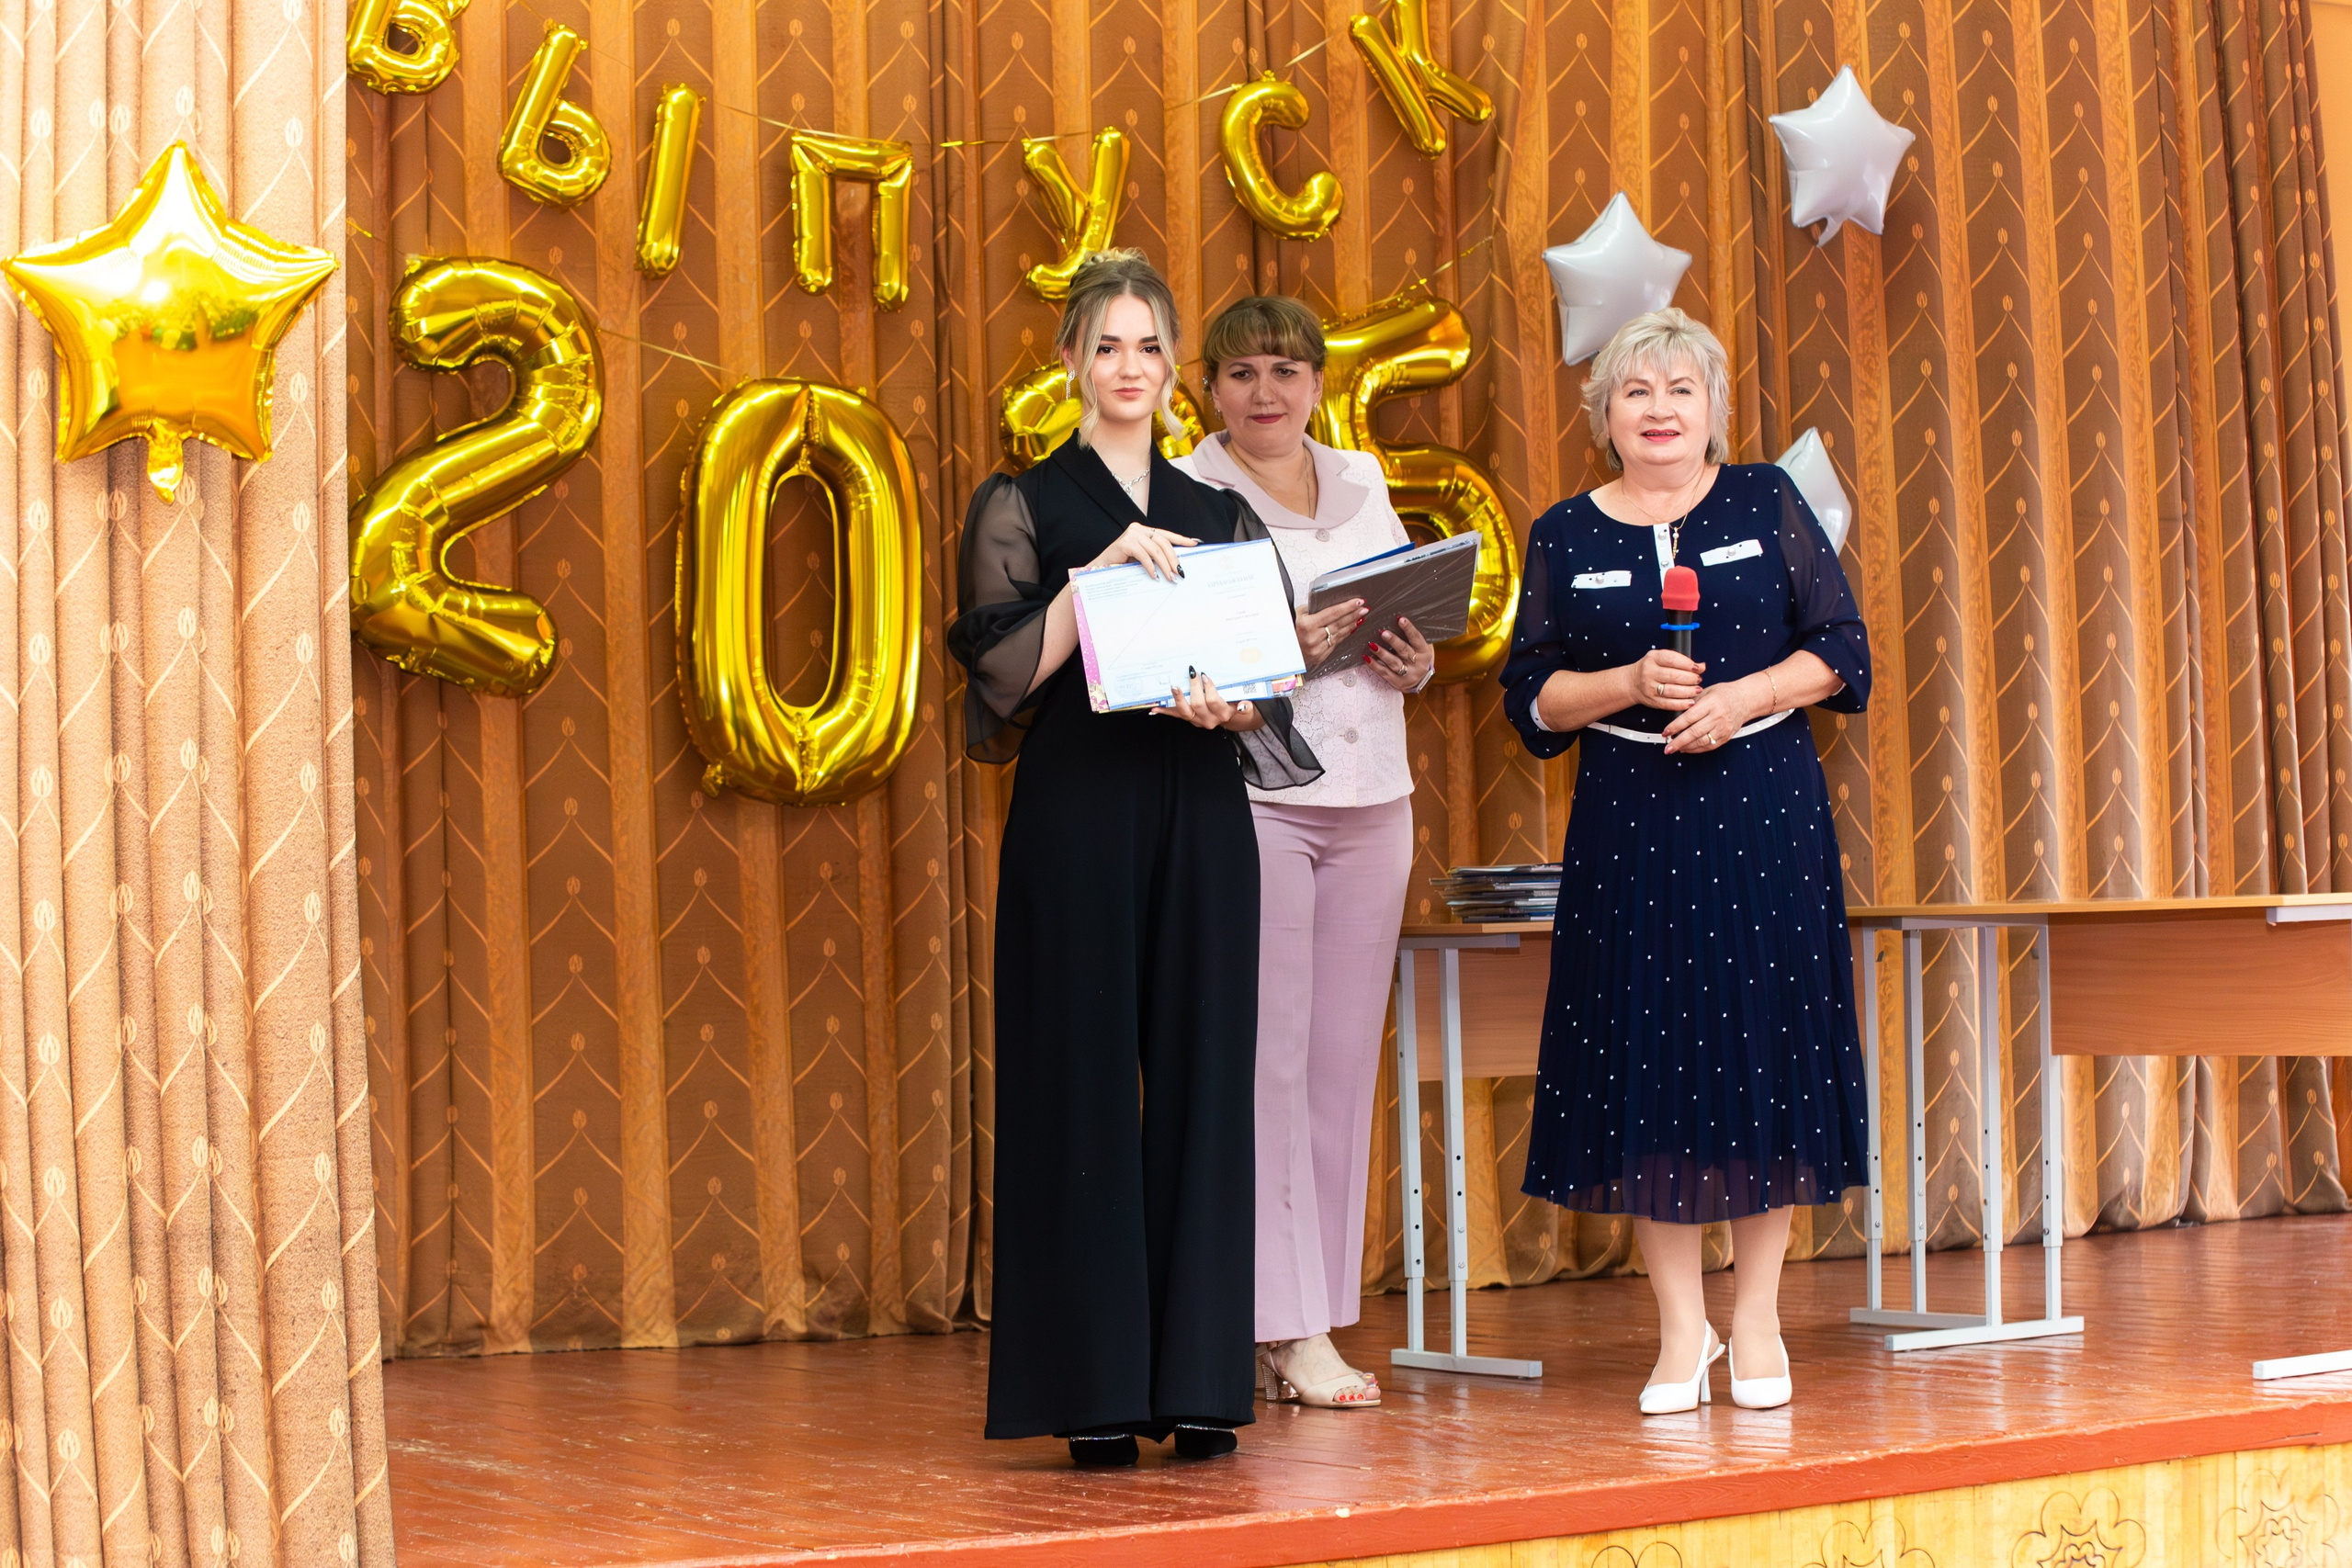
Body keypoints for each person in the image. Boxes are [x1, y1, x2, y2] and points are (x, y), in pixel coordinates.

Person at [947, 252, 1320, 1467]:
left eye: (1148, 346)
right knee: (1081, 1076)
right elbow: (1001, 677)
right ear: (1068, 363)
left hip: (1201, 802)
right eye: (1105, 345)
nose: (1128, 367)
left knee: (1210, 1072)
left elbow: (1264, 689)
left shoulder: (1219, 511)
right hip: (1079, 810)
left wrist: (1234, 706)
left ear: (1172, 371)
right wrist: (1090, 576)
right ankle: (1095, 1381)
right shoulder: (1021, 500)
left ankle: (1203, 1376)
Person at [1498, 308, 1871, 1415]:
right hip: (1629, 818)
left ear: (1713, 408)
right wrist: (1626, 686)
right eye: (1635, 392)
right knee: (1642, 1061)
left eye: (1680, 391)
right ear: (1603, 413)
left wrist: (1742, 697)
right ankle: (1678, 1333)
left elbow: (1841, 651)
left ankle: (1754, 1319)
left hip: (1763, 810)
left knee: (1764, 1052)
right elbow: (1530, 700)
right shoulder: (1565, 531)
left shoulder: (1765, 501)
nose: (1659, 411)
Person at [1170, 297, 1433, 1413]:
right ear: (1209, 389)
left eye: (1283, 370)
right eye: (1239, 374)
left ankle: (1314, 1314)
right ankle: (1276, 1326)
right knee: (1266, 1066)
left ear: (1319, 383)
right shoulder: (1184, 492)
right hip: (1256, 795)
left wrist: (1414, 659)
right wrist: (1282, 645)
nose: (1263, 393)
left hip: (1378, 791)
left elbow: (1397, 629)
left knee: (1337, 1071)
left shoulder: (1364, 479)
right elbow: (1177, 663)